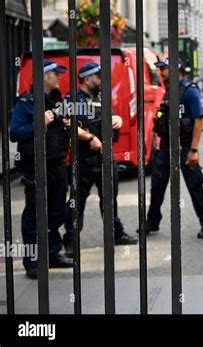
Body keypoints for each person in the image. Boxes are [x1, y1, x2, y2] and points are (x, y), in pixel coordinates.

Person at [63, 62, 137, 257]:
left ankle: (116, 234)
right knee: (77, 200)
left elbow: (111, 118)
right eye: (99, 76)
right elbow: (68, 125)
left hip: (105, 156)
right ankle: (71, 241)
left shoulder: (100, 97)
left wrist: (118, 119)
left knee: (109, 198)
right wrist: (90, 138)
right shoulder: (72, 99)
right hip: (84, 158)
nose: (103, 80)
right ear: (87, 79)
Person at [10, 60, 73, 279]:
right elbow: (14, 133)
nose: (59, 78)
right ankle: (32, 261)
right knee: (34, 212)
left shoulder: (57, 100)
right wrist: (39, 124)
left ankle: (53, 253)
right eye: (56, 74)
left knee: (58, 210)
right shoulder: (26, 103)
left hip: (56, 162)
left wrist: (67, 123)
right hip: (35, 164)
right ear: (44, 76)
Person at [143, 58, 203, 239]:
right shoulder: (168, 91)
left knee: (194, 184)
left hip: (185, 144)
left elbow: (198, 121)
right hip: (167, 145)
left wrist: (194, 150)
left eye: (163, 69)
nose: (160, 73)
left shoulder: (189, 91)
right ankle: (152, 221)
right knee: (157, 183)